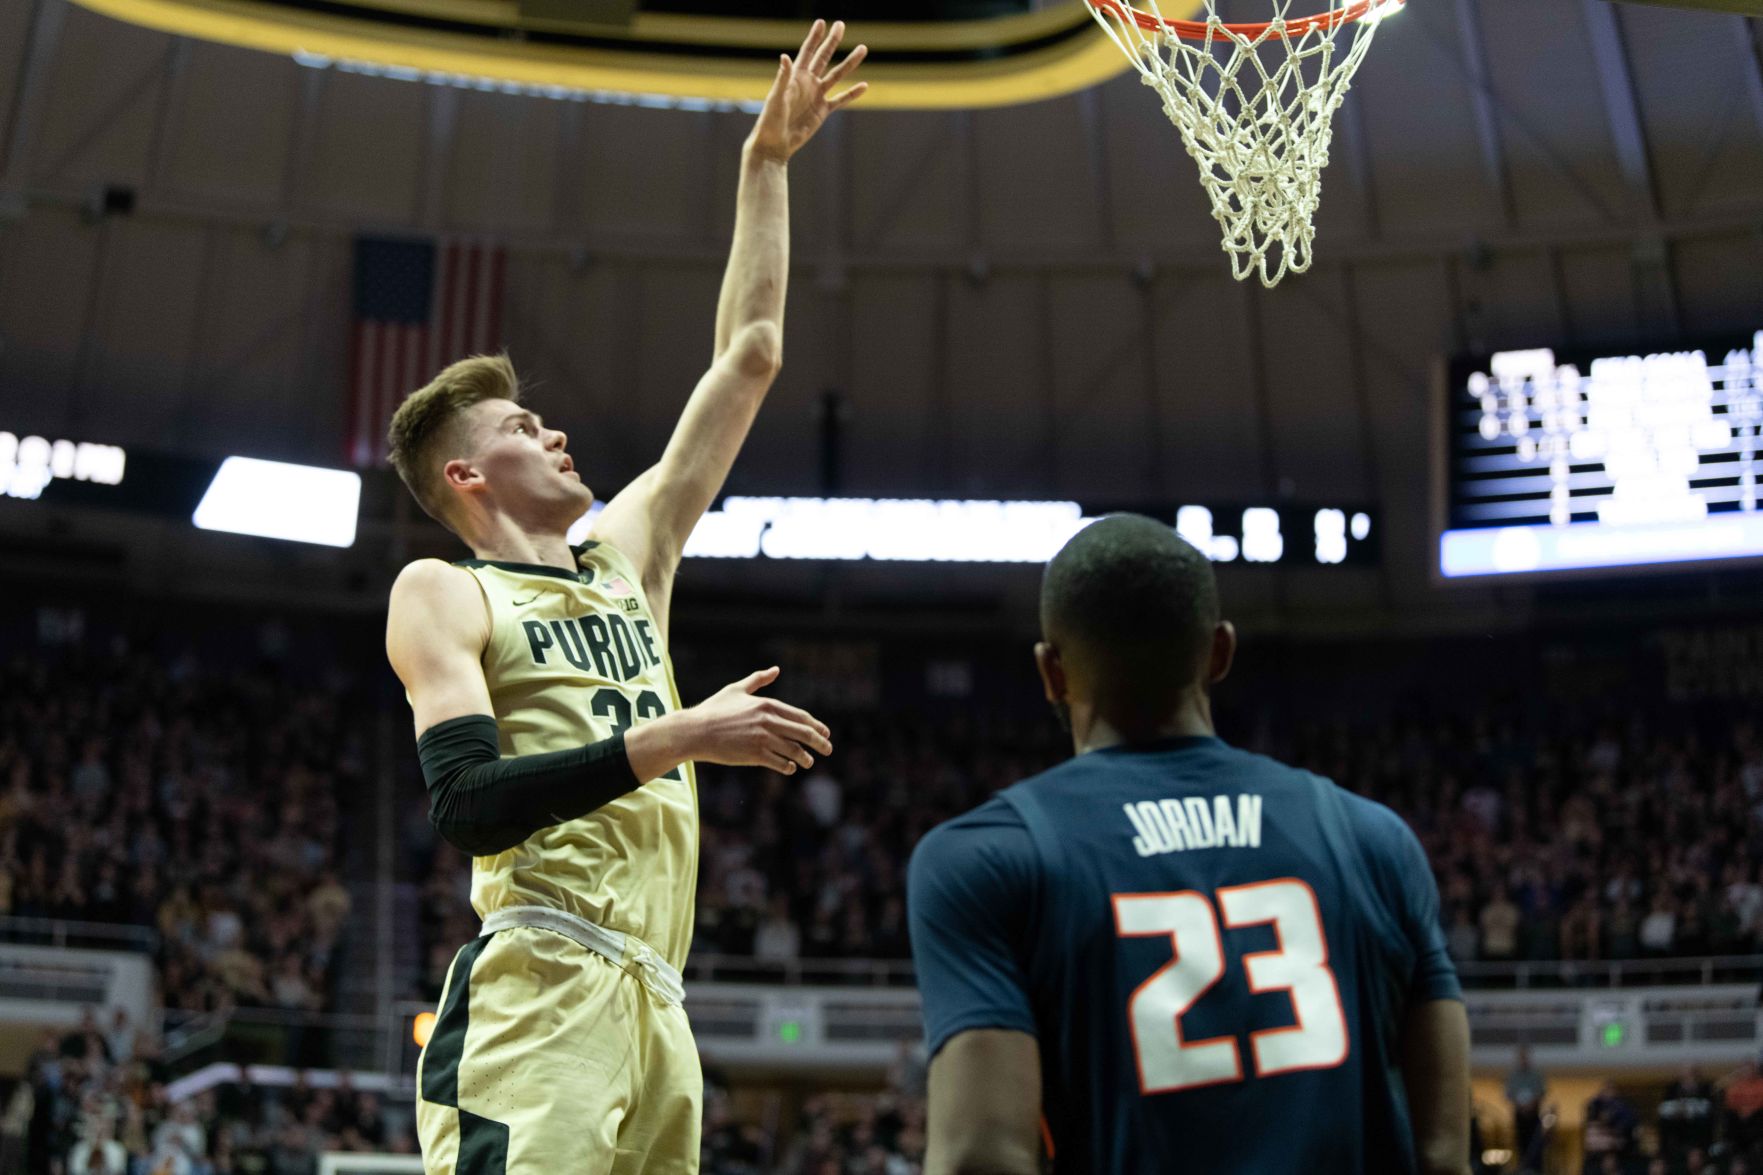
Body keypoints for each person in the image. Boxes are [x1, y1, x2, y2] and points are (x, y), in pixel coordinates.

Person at [383, 21, 866, 1174]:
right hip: (539, 979)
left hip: (660, 997)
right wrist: (682, 733)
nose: (551, 430)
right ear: (464, 474)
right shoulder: (443, 589)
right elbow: (470, 805)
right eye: (516, 427)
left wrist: (765, 168)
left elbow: (746, 355)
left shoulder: (626, 554)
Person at [907, 515, 1471, 1175]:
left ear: (1050, 671)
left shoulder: (982, 857)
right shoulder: (1373, 838)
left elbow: (981, 1156)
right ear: (1220, 652)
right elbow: (1442, 1154)